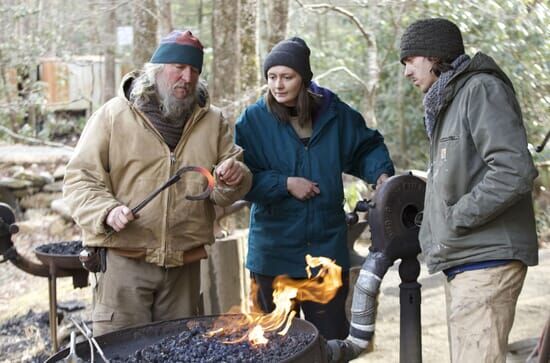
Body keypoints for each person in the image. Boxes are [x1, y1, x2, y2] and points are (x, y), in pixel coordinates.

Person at [63, 30, 252, 336]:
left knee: (181, 352)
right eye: (178, 67)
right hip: (125, 263)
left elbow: (228, 187)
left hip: (184, 270)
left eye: (194, 70)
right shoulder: (113, 116)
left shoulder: (213, 120)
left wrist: (234, 178)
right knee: (121, 353)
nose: (187, 77)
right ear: (156, 70)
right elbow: (79, 179)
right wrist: (107, 210)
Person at [234, 37, 395, 340]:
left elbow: (366, 147)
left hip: (326, 251)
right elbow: (240, 178)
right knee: (276, 345)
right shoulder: (253, 121)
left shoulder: (333, 114)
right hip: (274, 254)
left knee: (330, 340)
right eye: (272, 77)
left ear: (304, 79)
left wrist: (381, 175)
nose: (278, 85)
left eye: (287, 77)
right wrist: (284, 184)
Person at [400, 18, 539, 362]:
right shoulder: (448, 101)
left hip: (487, 260)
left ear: (434, 56)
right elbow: (463, 173)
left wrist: (456, 217)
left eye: (410, 61)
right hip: (469, 261)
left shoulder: (479, 90)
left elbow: (514, 171)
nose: (406, 72)